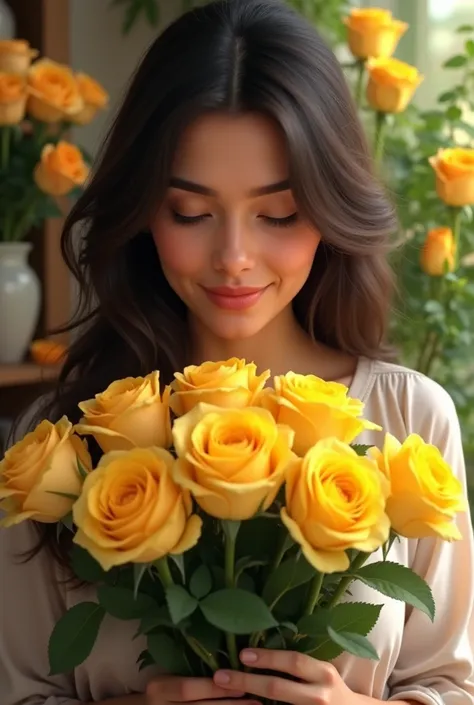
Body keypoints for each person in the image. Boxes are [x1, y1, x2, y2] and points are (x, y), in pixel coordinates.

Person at [1, 0, 473, 703]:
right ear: (142, 212)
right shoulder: (56, 445)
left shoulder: (411, 418)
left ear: (329, 208)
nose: (233, 258)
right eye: (189, 212)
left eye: (278, 213)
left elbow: (451, 683)